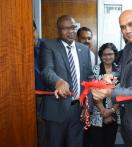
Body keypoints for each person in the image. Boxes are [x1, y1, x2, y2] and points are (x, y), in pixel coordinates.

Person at [91, 10, 132, 147]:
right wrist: (110, 77)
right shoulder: (129, 47)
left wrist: (110, 92)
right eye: (123, 27)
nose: (127, 30)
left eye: (131, 24)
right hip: (125, 118)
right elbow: (123, 73)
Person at [39, 15, 93, 147]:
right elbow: (47, 70)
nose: (71, 31)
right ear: (58, 30)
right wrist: (58, 81)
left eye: (73, 28)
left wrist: (87, 106)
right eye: (66, 28)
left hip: (78, 110)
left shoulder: (84, 50)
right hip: (56, 110)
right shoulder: (48, 46)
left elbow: (89, 79)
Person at [89, 43, 120, 147]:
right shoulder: (95, 70)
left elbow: (121, 93)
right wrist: (104, 112)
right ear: (101, 56)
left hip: (114, 113)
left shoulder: (120, 70)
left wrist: (111, 111)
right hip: (97, 114)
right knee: (97, 142)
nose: (107, 57)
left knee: (109, 142)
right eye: (104, 54)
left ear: (115, 55)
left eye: (110, 54)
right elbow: (92, 92)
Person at [33, 21, 47, 147]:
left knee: (43, 125)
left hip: (48, 94)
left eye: (32, 30)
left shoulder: (47, 46)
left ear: (36, 30)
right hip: (29, 95)